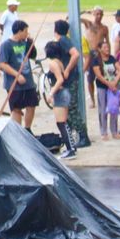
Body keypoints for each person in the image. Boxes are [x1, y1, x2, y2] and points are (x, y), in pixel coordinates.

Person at [43, 21, 82, 157]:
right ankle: (70, 147)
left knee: (61, 123)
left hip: (60, 93)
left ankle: (70, 149)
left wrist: (51, 93)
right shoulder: (59, 62)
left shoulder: (53, 64)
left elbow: (60, 79)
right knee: (63, 122)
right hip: (63, 92)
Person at [0, 20, 39, 130]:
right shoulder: (6, 45)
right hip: (14, 84)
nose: (27, 33)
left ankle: (28, 128)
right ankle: (18, 131)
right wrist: (17, 75)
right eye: (26, 31)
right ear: (19, 31)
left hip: (28, 82)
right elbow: (2, 64)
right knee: (16, 108)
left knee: (32, 105)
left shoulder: (25, 43)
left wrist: (31, 42)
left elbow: (33, 55)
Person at [91, 39, 120, 140]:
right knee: (103, 109)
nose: (107, 49)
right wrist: (109, 84)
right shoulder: (96, 60)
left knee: (113, 108)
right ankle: (103, 132)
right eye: (104, 47)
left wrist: (115, 82)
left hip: (113, 86)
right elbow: (99, 75)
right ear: (99, 49)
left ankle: (114, 131)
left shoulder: (112, 58)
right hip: (102, 87)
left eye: (108, 47)